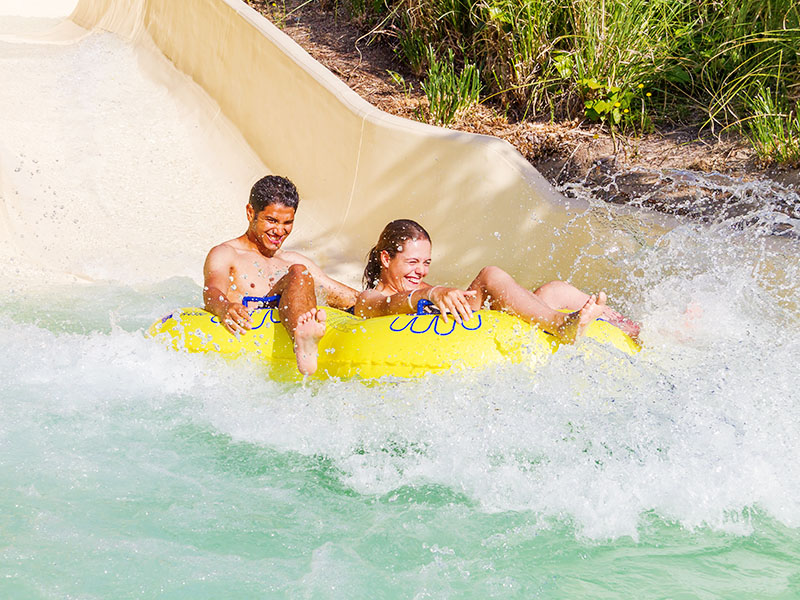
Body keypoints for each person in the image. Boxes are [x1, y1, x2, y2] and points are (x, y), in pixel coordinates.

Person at [354, 219, 641, 342]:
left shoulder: (429, 289)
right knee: (489, 274)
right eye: (412, 262)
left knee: (555, 290)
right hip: (457, 343)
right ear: (386, 259)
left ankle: (632, 330)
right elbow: (387, 306)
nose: (421, 271)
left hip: (480, 324)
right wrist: (432, 294)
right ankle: (559, 324)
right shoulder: (370, 299)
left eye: (426, 262)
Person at [203, 175, 358, 375]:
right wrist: (224, 307)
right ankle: (302, 340)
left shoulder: (292, 260)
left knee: (299, 271)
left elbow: (347, 298)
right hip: (247, 348)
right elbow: (212, 290)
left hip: (282, 365)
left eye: (287, 223)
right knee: (298, 272)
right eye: (271, 220)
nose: (279, 230)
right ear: (251, 213)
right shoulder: (227, 253)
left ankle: (305, 340)